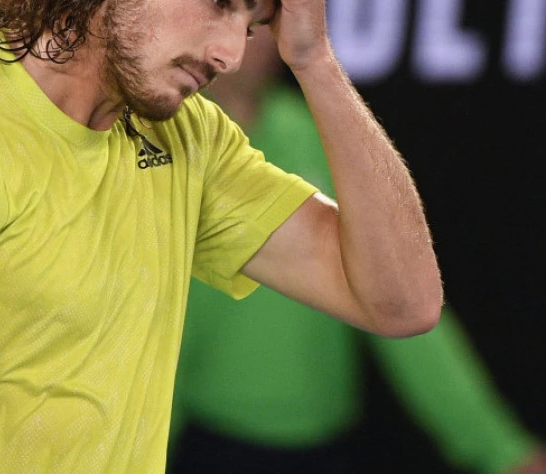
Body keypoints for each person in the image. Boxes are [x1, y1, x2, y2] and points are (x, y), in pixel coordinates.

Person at [0, 0, 444, 472]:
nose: (231, 53)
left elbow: (403, 303)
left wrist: (316, 62)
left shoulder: (191, 141)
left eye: (252, 26)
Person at [167, 26, 546, 474]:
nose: (249, 39)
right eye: (224, 3)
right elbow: (153, 318)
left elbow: (401, 302)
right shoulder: (160, 145)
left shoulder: (318, 135)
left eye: (263, 20)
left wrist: (502, 452)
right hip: (205, 443)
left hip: (328, 449)